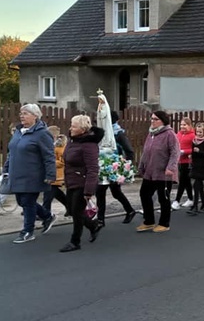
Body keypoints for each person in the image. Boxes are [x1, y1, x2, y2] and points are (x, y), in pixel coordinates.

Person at [4, 103, 56, 244]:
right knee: (22, 201)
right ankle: (47, 216)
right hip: (17, 174)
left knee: (27, 202)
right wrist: (6, 169)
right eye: (21, 113)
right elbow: (11, 152)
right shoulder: (18, 132)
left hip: (33, 175)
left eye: (26, 113)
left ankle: (28, 231)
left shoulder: (42, 134)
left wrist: (51, 175)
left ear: (35, 116)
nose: (22, 116)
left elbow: (49, 156)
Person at [59, 114, 102, 252]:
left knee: (77, 213)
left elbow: (93, 169)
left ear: (82, 129)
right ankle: (93, 225)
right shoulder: (73, 141)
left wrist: (89, 191)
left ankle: (75, 241)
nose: (70, 128)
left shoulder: (89, 145)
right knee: (71, 210)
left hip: (82, 183)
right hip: (71, 181)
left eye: (74, 126)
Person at [95, 96, 137, 227]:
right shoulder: (101, 132)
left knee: (115, 192)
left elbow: (129, 150)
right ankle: (101, 219)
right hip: (102, 165)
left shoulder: (118, 133)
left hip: (113, 166)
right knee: (100, 192)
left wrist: (125, 168)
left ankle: (130, 210)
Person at [136, 111, 179, 232]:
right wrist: (141, 166)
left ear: (163, 121)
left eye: (155, 119)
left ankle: (164, 223)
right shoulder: (151, 133)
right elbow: (145, 151)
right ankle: (149, 221)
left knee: (163, 198)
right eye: (152, 119)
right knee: (144, 194)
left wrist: (170, 167)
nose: (152, 121)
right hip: (150, 171)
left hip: (163, 173)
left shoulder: (169, 134)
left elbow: (175, 152)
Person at [42, 125, 69, 216]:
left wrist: (50, 161)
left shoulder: (61, 147)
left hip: (57, 175)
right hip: (51, 174)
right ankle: (70, 207)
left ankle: (45, 213)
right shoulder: (51, 146)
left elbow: (62, 162)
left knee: (48, 195)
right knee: (56, 194)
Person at [187, 122, 204, 215]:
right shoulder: (194, 140)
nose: (198, 134)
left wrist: (200, 151)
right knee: (199, 186)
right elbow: (193, 151)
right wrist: (191, 155)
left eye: (200, 132)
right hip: (196, 165)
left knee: (196, 185)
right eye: (197, 132)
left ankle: (195, 205)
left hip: (203, 166)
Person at [172, 117, 195, 210]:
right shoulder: (179, 134)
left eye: (184, 125)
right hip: (180, 161)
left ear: (189, 125)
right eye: (181, 124)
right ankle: (190, 199)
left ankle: (177, 201)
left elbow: (194, 149)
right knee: (186, 181)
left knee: (182, 181)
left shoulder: (193, 135)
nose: (182, 126)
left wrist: (184, 151)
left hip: (188, 162)